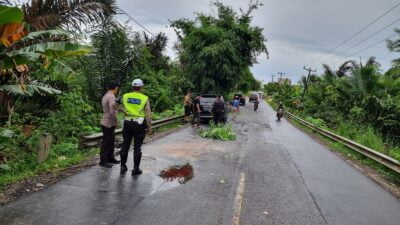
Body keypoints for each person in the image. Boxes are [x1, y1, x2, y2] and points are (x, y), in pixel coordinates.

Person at [120, 79, 152, 175]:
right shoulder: (144, 98)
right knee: (137, 147)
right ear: (141, 87)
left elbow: (115, 105)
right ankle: (135, 169)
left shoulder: (125, 96)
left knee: (125, 144)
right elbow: (148, 113)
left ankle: (122, 166)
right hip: (139, 124)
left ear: (132, 87)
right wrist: (149, 126)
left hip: (127, 123)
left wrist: (124, 111)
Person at [100, 81, 120, 168]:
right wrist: (117, 120)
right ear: (115, 88)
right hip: (109, 122)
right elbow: (113, 110)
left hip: (107, 121)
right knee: (107, 142)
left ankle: (110, 158)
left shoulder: (106, 95)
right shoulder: (111, 96)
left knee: (111, 141)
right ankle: (103, 161)